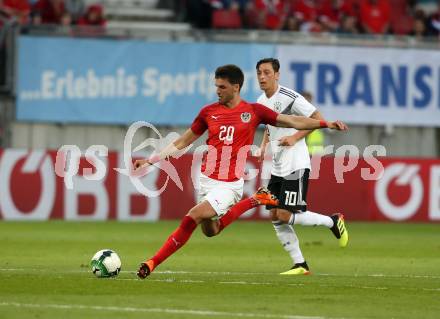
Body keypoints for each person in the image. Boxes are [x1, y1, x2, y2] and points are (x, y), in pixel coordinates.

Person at [134, 64, 348, 279]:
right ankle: (255, 200)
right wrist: (151, 160)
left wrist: (325, 123)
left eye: (222, 87)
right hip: (207, 180)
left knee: (193, 216)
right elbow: (182, 141)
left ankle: (152, 262)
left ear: (235, 87)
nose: (217, 91)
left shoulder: (254, 111)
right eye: (216, 86)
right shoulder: (208, 112)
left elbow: (292, 120)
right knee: (211, 230)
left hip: (229, 185)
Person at [255, 58, 349, 276]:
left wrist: (295, 137)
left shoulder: (290, 97)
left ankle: (332, 221)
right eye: (259, 73)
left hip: (296, 163)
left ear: (277, 75)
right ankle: (300, 264)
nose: (262, 77)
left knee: (285, 215)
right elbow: (270, 127)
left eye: (267, 72)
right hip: (278, 165)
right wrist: (262, 146)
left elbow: (317, 119)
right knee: (274, 216)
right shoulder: (260, 101)